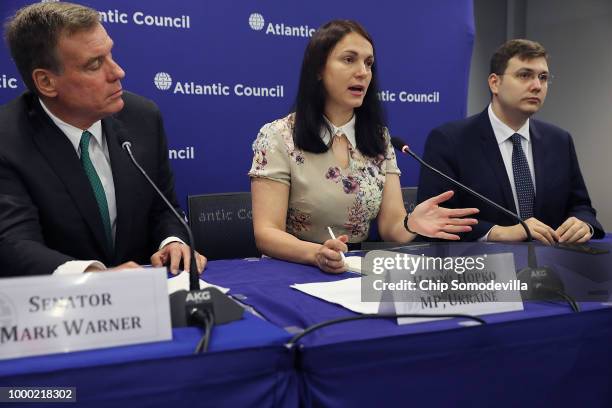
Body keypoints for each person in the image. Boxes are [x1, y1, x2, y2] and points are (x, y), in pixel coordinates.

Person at [248, 20, 479, 273]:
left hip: (356, 269)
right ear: (318, 69)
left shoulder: (379, 139)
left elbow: (392, 227)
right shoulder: (278, 136)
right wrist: (317, 254)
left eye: (368, 63)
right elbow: (266, 233)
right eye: (349, 60)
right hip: (293, 266)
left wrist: (412, 223)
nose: (363, 72)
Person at [0, 2, 206, 277]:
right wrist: (93, 276)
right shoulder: (7, 139)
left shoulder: (142, 118)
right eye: (95, 64)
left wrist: (172, 240)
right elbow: (15, 243)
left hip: (146, 299)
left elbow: (163, 208)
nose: (117, 72)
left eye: (110, 54)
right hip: (54, 309)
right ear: (47, 82)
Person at [417, 39, 604, 244]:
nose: (536, 86)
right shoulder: (450, 140)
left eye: (543, 77)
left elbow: (581, 207)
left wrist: (583, 224)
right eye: (524, 75)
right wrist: (496, 232)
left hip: (553, 267)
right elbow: (437, 217)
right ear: (494, 83)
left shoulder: (559, 140)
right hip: (481, 268)